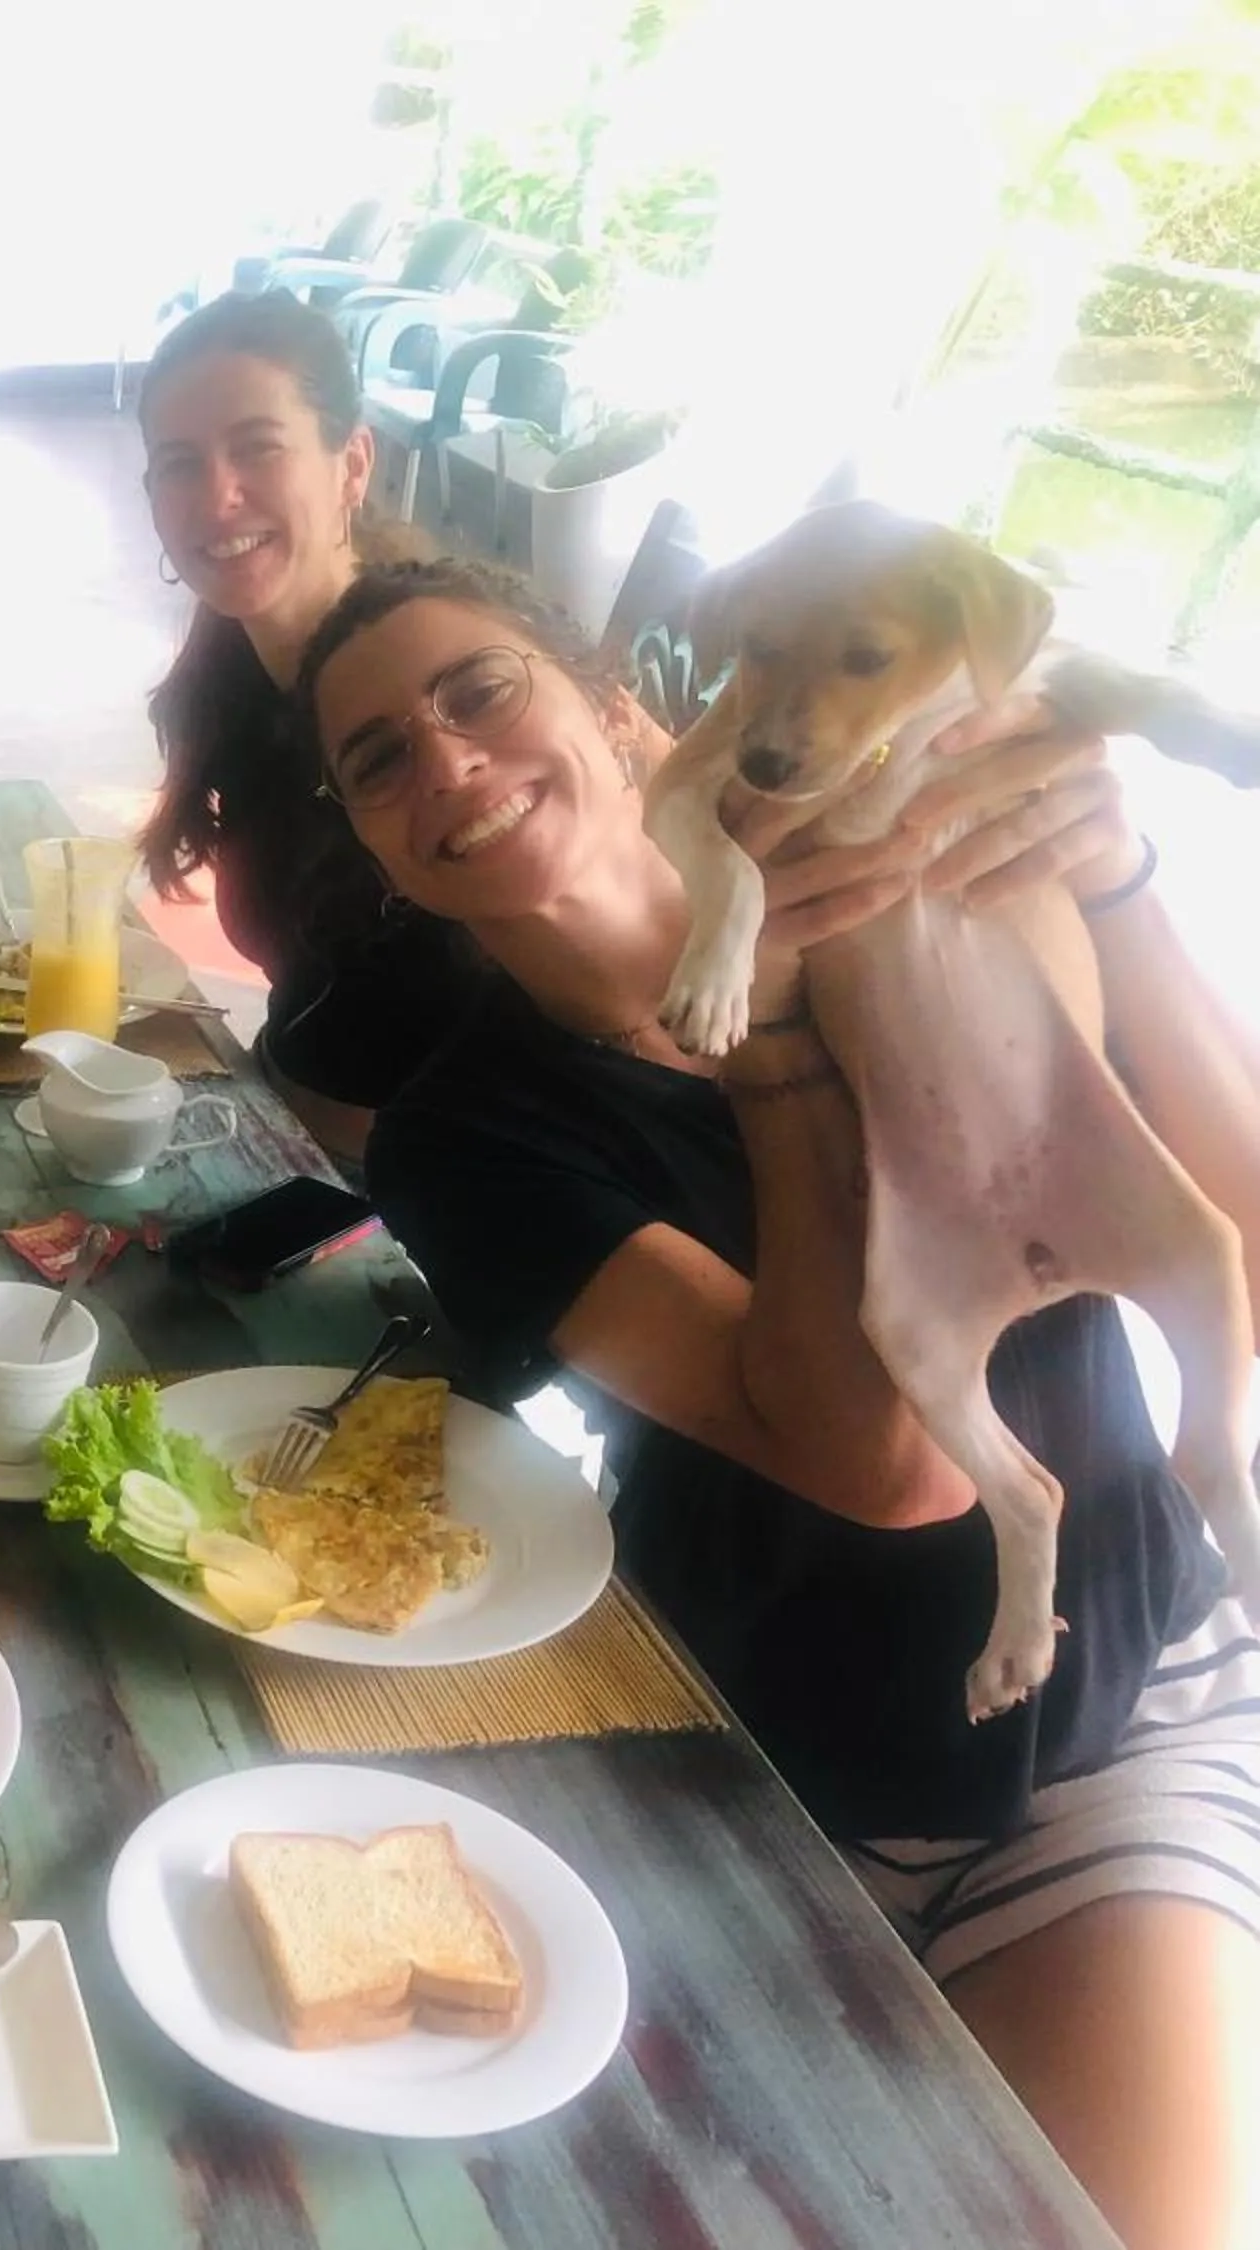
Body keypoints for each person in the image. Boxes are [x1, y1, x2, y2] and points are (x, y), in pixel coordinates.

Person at [299, 555, 1260, 2250]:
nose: (444, 762)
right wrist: (781, 1051)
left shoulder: (942, 876)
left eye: (483, 693)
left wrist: (1111, 879)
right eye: (380, 758)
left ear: (625, 712)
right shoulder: (470, 1131)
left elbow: (1235, 1222)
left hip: (1101, 1722)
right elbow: (877, 1462)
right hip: (759, 1765)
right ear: (377, 846)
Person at [130, 291, 470, 1163]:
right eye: (180, 463)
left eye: (257, 448)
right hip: (276, 1142)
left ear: (352, 464)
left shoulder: (446, 698)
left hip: (433, 1221)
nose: (218, 497)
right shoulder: (235, 672)